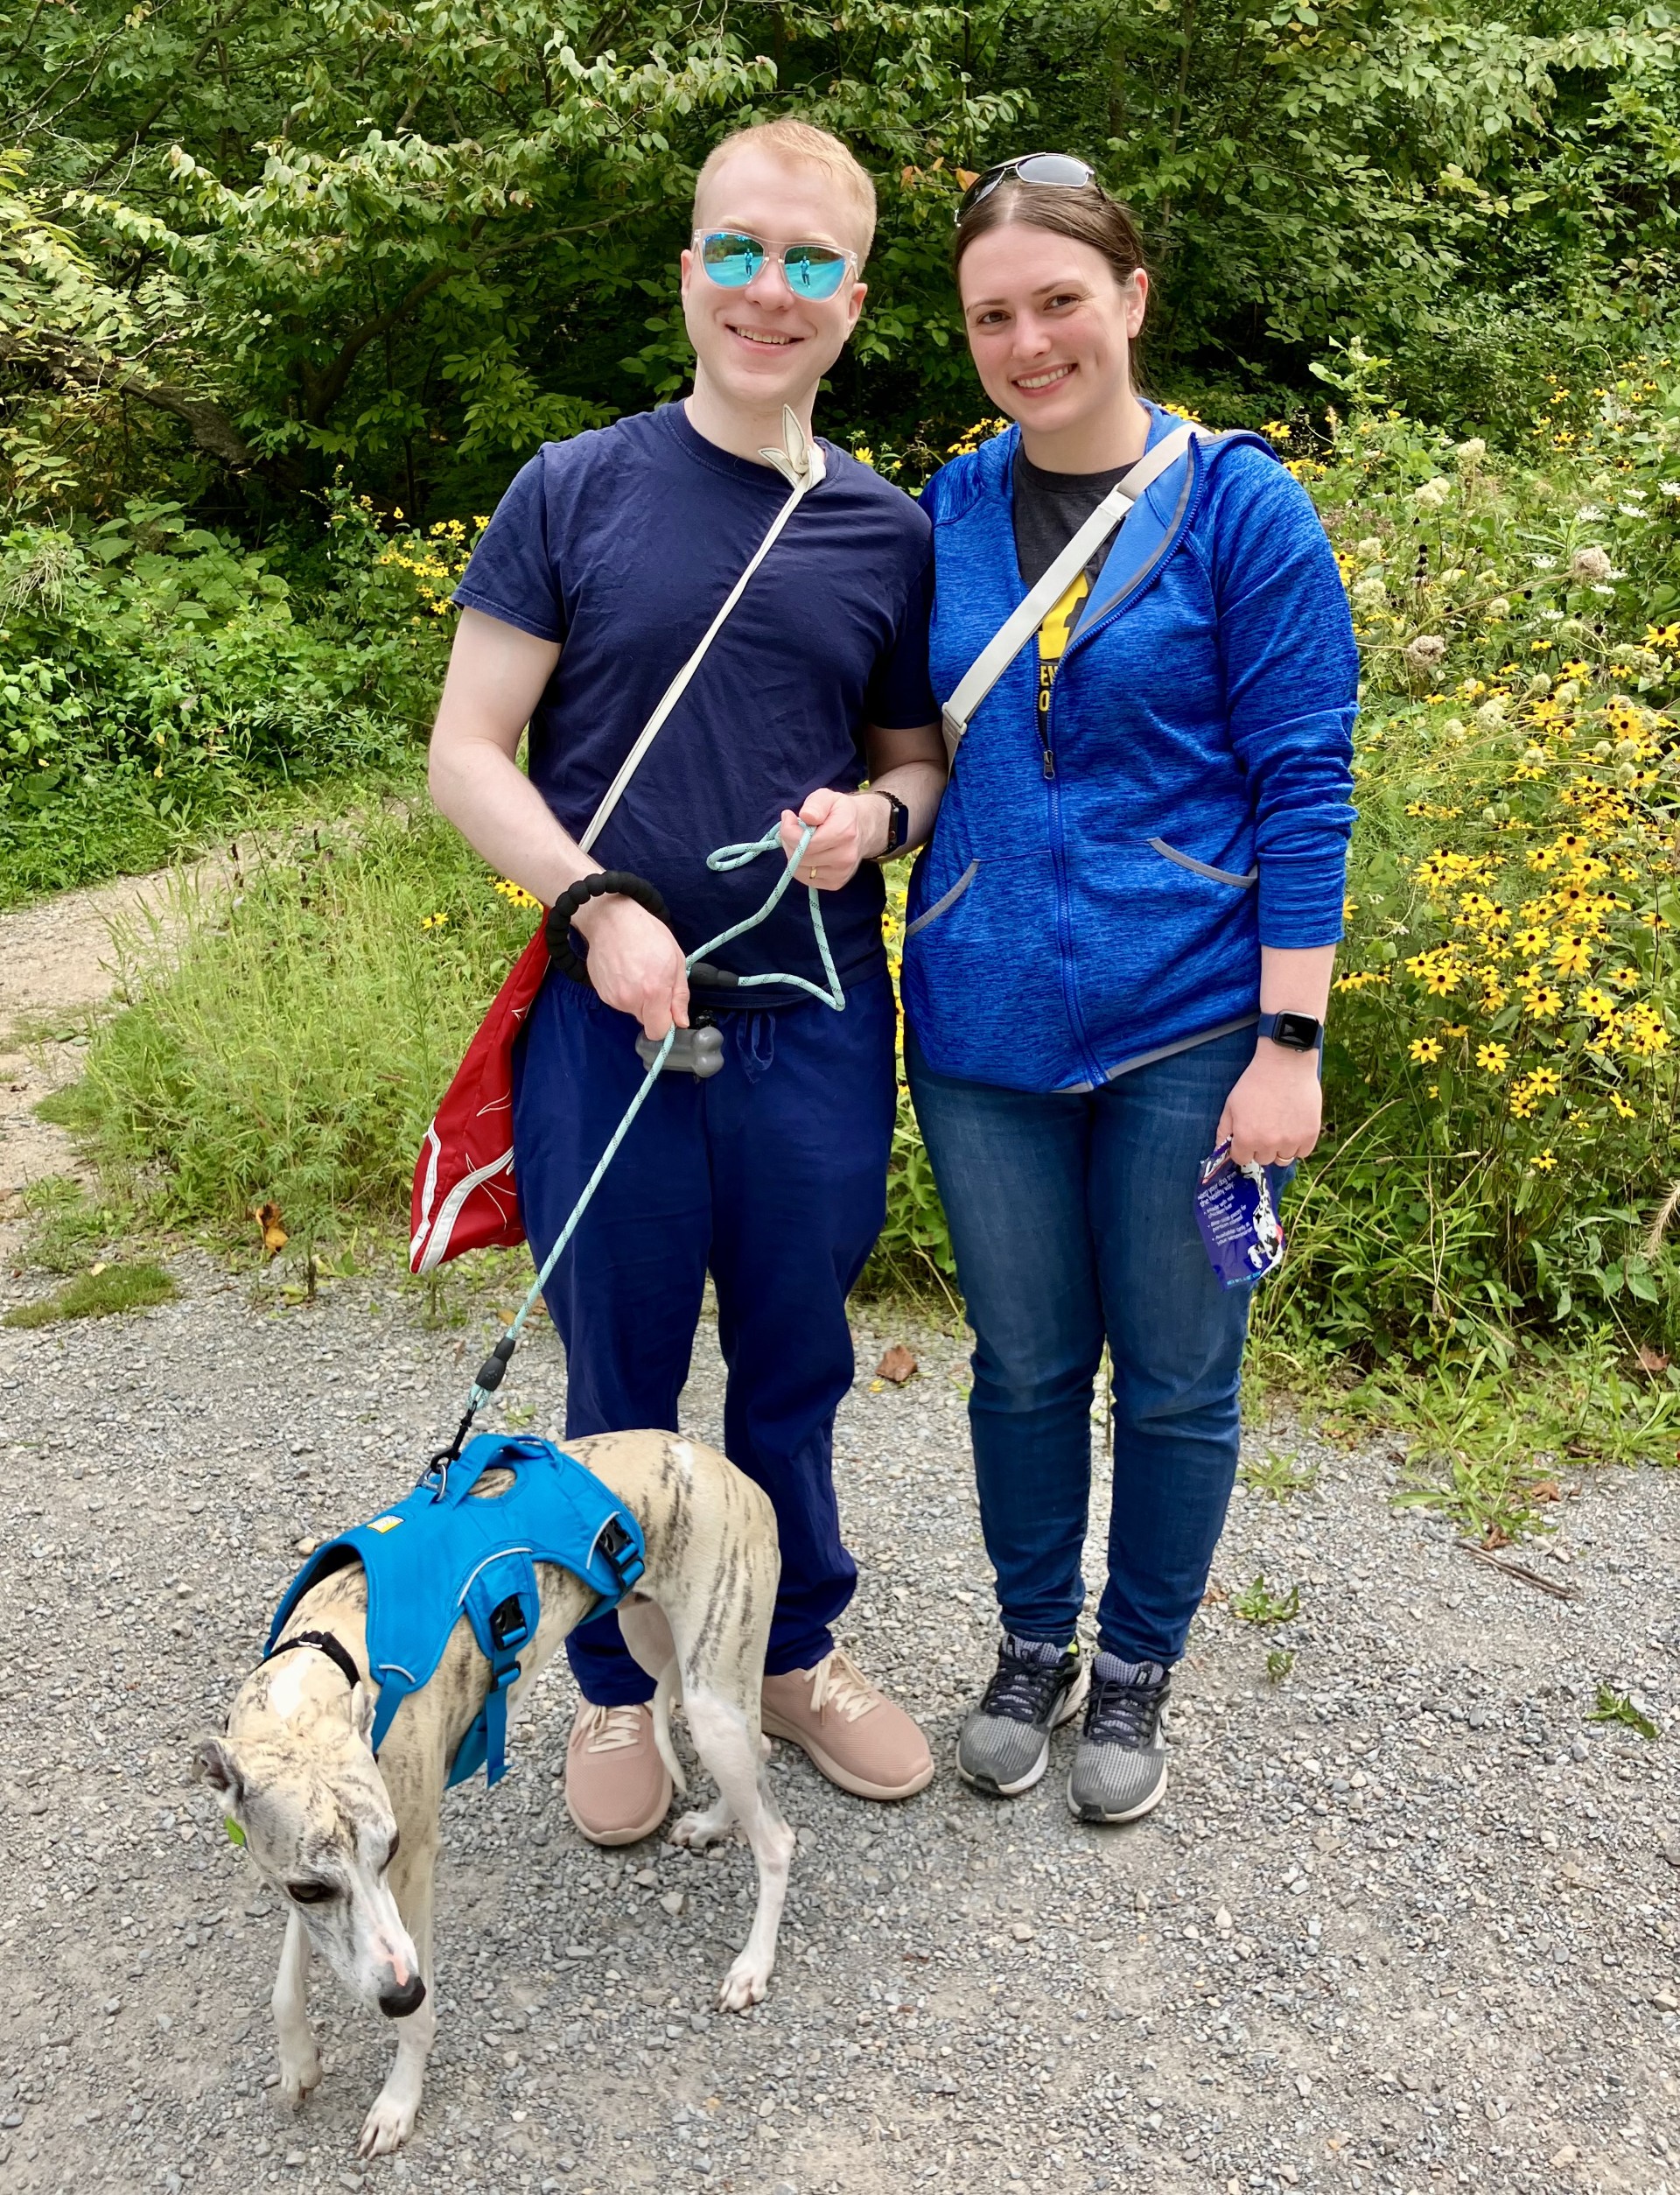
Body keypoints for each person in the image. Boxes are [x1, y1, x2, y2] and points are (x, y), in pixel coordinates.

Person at [428, 118, 947, 1845]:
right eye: (740, 250)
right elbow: (468, 753)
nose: (769, 289)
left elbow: (916, 763)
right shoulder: (572, 488)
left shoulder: (883, 527)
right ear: (690, 271)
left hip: (810, 1028)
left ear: (854, 298)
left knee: (794, 1365)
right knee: (620, 1382)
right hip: (613, 1025)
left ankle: (792, 1656)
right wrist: (593, 904)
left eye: (809, 262)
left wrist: (870, 817)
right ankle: (617, 1684)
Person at [900, 156, 1358, 1824]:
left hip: (1191, 1026)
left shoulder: (1244, 506)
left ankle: (1143, 1664)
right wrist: (864, 823)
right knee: (1023, 1368)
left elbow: (1308, 780)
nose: (1029, 341)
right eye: (993, 316)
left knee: (1174, 1374)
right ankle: (1034, 1642)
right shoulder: (938, 515)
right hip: (979, 1029)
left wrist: (1289, 1041)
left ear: (1132, 298)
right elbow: (901, 744)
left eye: (1058, 302)